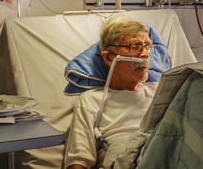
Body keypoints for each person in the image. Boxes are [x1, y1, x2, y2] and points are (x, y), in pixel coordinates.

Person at [64, 16, 158, 169]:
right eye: (135, 46)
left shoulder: (160, 92)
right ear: (108, 57)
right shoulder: (92, 100)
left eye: (147, 46)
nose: (145, 54)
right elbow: (78, 161)